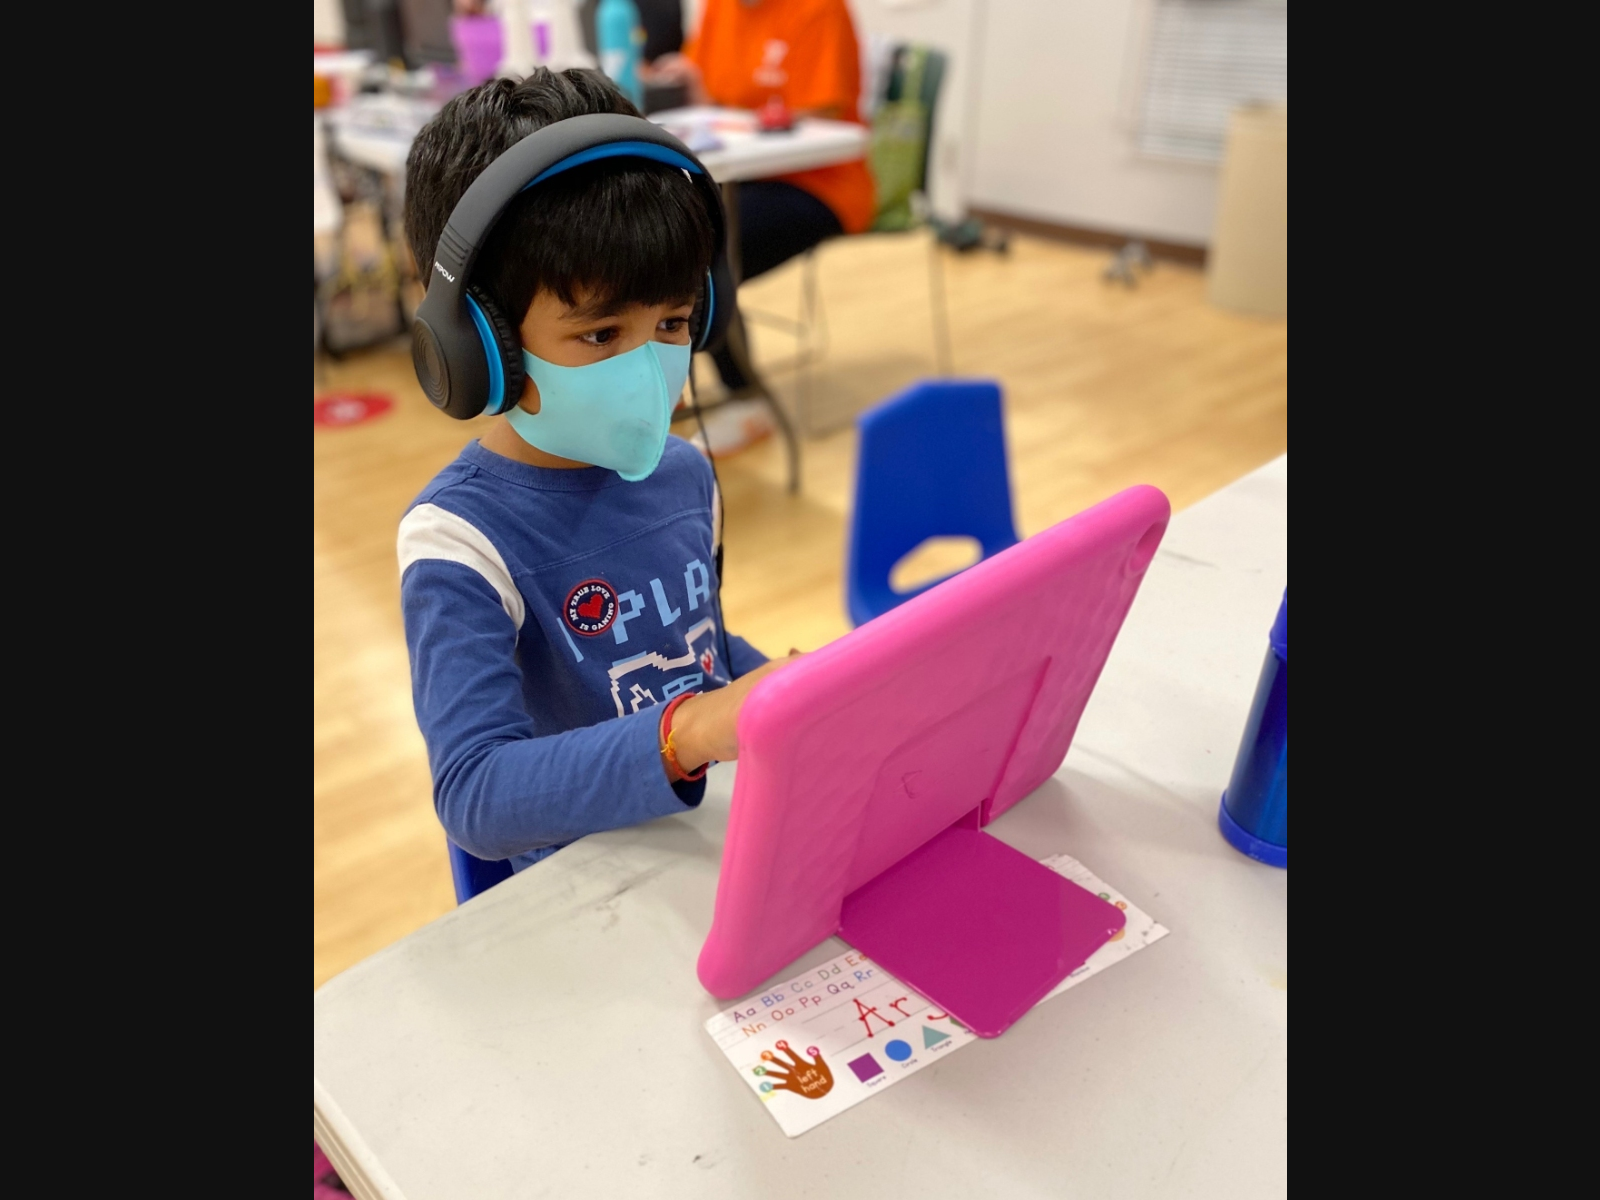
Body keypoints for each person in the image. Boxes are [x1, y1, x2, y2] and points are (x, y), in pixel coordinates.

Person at [398, 68, 797, 871]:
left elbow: (694, 649)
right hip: (585, 891)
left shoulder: (685, 475)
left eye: (674, 322)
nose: (649, 369)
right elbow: (474, 793)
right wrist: (690, 732)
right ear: (480, 348)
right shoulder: (459, 541)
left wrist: (792, 690)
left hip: (705, 846)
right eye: (601, 334)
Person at [643, 0, 875, 390]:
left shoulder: (820, 10)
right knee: (666, 238)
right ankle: (721, 391)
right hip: (743, 173)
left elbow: (823, 113)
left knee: (692, 259)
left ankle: (741, 394)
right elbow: (708, 93)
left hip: (817, 183)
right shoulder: (719, 8)